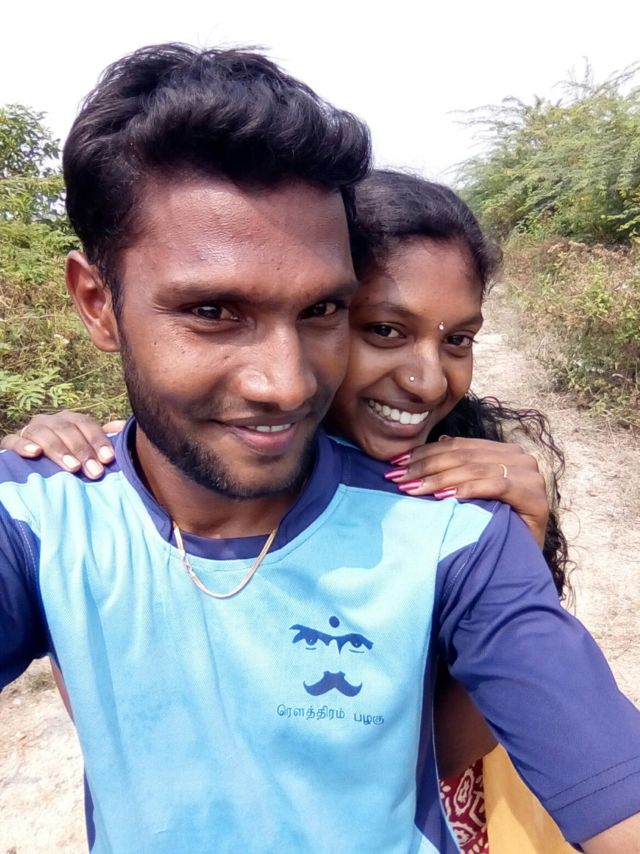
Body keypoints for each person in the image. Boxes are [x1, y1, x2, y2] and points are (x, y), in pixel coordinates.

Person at [0, 44, 639, 854]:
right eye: (213, 311)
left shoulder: (456, 527)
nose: (285, 382)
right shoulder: (41, 509)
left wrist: (528, 542)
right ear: (98, 304)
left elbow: (515, 748)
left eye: (320, 311)